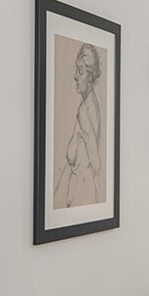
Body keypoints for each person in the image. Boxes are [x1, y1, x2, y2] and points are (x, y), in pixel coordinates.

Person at [55, 42, 104, 207]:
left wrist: (103, 201)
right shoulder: (89, 105)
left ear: (90, 77)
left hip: (83, 194)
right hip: (79, 192)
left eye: (80, 71)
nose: (75, 76)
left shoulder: (85, 109)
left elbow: (96, 163)